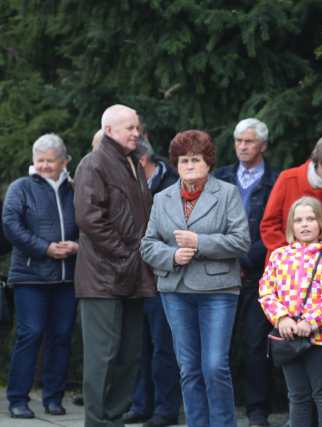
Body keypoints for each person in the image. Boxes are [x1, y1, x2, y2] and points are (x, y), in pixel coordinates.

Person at [140, 129, 250, 427]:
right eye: (184, 160)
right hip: (175, 290)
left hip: (218, 289)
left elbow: (241, 242)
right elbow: (148, 245)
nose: (189, 165)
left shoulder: (227, 193)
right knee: (188, 367)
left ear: (209, 162)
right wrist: (172, 256)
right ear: (175, 163)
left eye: (196, 159)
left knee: (214, 366)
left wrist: (199, 242)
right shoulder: (162, 198)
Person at [74, 104, 156, 427]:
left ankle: (113, 419)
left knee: (129, 354)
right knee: (103, 357)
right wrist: (125, 255)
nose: (136, 133)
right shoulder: (93, 164)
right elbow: (89, 219)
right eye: (129, 128)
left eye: (137, 127)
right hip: (103, 278)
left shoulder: (132, 164)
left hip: (134, 274)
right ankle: (97, 422)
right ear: (109, 131)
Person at [2, 134, 79, 419]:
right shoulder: (20, 187)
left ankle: (53, 397)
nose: (45, 166)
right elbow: (11, 225)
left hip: (66, 278)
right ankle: (18, 398)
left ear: (64, 161)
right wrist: (44, 248)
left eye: (50, 161)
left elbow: (87, 223)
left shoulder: (74, 189)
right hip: (30, 277)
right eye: (40, 160)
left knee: (61, 336)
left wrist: (77, 246)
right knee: (30, 334)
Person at [259, 196, 322, 427]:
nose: (305, 224)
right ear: (291, 226)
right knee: (297, 396)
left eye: (311, 218)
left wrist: (311, 321)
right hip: (288, 337)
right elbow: (266, 291)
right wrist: (282, 318)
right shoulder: (279, 256)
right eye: (298, 220)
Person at [214, 118, 279, 427]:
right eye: (239, 140)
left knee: (255, 343)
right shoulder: (220, 177)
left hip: (258, 275)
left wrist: (248, 257)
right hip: (221, 273)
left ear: (262, 146)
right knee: (220, 344)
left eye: (249, 141)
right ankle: (222, 406)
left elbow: (276, 228)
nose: (242, 146)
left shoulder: (274, 181)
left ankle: (257, 410)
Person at [121, 137, 180, 427]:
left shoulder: (172, 184)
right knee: (138, 344)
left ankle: (165, 409)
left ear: (140, 161)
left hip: (162, 276)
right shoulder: (129, 185)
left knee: (163, 346)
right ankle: (140, 404)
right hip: (134, 276)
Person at [260, 135, 322, 261]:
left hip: (321, 263)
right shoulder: (288, 178)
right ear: (321, 161)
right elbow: (269, 225)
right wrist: (290, 253)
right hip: (284, 262)